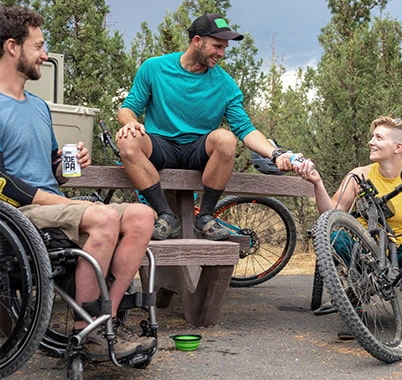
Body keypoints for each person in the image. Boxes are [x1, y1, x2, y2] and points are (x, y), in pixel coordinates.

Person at [0, 6, 156, 361]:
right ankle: (85, 334)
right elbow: (1, 181)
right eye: (38, 46)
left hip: (52, 207)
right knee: (102, 217)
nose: (44, 54)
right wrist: (59, 203)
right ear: (12, 47)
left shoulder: (38, 106)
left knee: (141, 217)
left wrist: (69, 165)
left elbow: (52, 170)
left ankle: (104, 323)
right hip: (15, 215)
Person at [116, 13, 297, 241]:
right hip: (160, 147)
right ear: (197, 41)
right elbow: (127, 108)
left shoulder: (225, 84)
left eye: (224, 48)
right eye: (217, 46)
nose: (221, 54)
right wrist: (131, 123)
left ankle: (206, 217)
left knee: (226, 138)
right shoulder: (154, 68)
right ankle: (165, 215)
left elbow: (245, 129)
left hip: (197, 152)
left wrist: (275, 153)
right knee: (127, 139)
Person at [297, 116, 402, 343]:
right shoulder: (359, 175)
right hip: (365, 249)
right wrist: (317, 184)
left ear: (398, 147)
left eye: (378, 137)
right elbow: (331, 213)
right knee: (333, 235)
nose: (371, 142)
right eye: (372, 137)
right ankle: (354, 308)